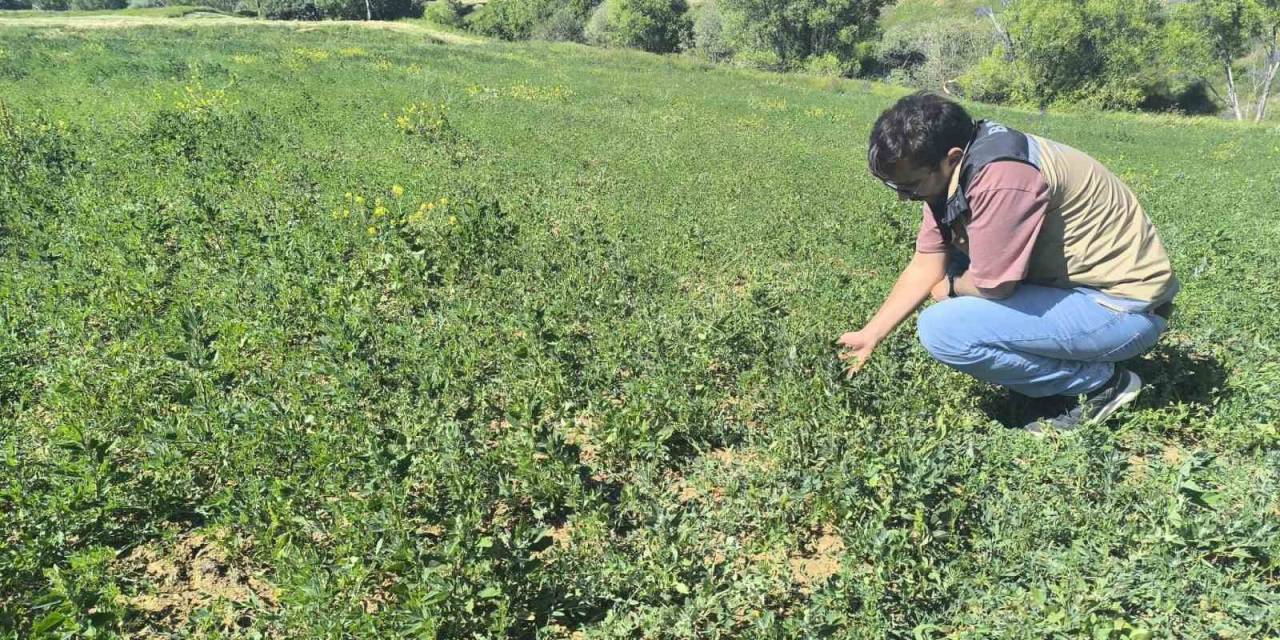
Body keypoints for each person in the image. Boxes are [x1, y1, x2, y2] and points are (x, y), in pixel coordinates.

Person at [835, 91, 1179, 435]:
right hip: (1081, 296)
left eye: (909, 185)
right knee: (954, 273)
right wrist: (872, 334)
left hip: (1123, 310)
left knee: (943, 328)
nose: (902, 196)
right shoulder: (955, 171)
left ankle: (1100, 385)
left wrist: (952, 288)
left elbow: (992, 285)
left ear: (951, 158)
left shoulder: (1001, 177)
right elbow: (927, 262)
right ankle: (1062, 376)